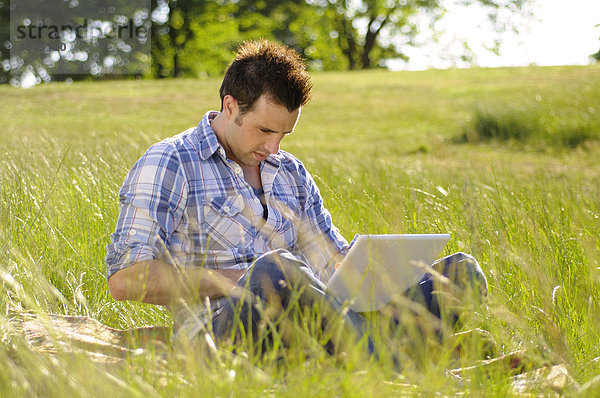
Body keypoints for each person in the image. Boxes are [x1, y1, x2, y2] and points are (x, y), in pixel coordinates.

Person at [105, 40, 487, 358]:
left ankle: (379, 351)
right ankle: (392, 362)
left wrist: (379, 275)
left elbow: (330, 265)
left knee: (459, 273)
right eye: (264, 130)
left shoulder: (290, 173)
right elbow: (126, 280)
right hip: (219, 334)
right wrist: (245, 281)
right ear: (230, 106)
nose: (273, 147)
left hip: (314, 320)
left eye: (284, 135)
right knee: (278, 270)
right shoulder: (170, 161)